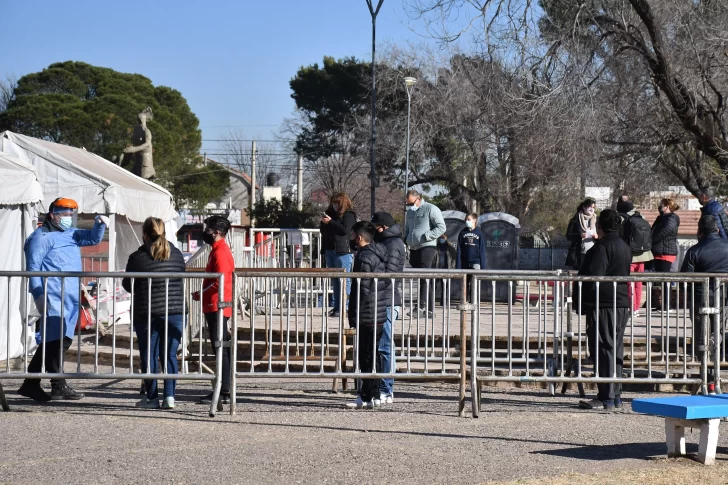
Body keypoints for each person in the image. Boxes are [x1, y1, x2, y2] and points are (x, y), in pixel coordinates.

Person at [18, 198, 108, 402]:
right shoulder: (40, 238)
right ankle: (57, 385)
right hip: (53, 297)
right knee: (55, 342)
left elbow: (92, 239)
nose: (69, 218)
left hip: (70, 297)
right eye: (65, 214)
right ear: (53, 215)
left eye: (71, 214)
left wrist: (99, 224)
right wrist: (39, 296)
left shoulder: (70, 233)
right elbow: (33, 269)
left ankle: (32, 384)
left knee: (58, 341)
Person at [122, 217, 186, 410]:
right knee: (170, 355)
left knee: (149, 355)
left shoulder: (137, 257)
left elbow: (128, 284)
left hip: (147, 311)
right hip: (175, 310)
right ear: (164, 232)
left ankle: (151, 398)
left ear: (145, 234)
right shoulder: (176, 254)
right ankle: (170, 397)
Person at [576, 209, 632, 411]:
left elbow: (594, 277)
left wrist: (583, 302)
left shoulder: (602, 247)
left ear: (600, 226)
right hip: (621, 302)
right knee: (615, 348)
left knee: (603, 348)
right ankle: (615, 394)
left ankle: (606, 396)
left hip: (604, 304)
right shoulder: (624, 246)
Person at [681, 216, 728, 393]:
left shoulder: (694, 250)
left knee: (702, 339)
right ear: (717, 230)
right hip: (723, 298)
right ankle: (715, 377)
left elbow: (684, 279)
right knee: (717, 335)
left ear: (699, 231)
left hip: (701, 300)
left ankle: (706, 377)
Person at [346, 221, 389, 409]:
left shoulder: (364, 257)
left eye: (353, 236)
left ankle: (366, 396)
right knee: (374, 353)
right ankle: (375, 393)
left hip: (367, 312)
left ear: (359, 238)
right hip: (378, 311)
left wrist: (355, 313)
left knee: (366, 355)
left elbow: (362, 288)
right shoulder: (379, 253)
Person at [192, 215, 234, 405]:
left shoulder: (220, 251)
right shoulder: (217, 250)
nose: (205, 232)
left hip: (217, 304)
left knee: (220, 347)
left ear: (216, 232)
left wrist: (201, 293)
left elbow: (219, 280)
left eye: (208, 229)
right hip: (216, 304)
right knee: (220, 346)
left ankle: (224, 390)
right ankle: (224, 388)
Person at [372, 211, 405, 405]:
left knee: (385, 346)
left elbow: (389, 273)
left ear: (383, 227)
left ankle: (387, 389)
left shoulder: (392, 244)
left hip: (387, 299)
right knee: (382, 345)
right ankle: (382, 387)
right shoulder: (387, 242)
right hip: (384, 298)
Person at [404, 189, 446, 317]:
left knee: (424, 277)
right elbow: (407, 228)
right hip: (414, 249)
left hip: (427, 248)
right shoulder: (410, 212)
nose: (410, 206)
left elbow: (441, 227)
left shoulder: (431, 209)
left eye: (411, 203)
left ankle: (420, 307)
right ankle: (430, 310)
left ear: (419, 199)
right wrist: (406, 239)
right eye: (407, 204)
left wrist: (427, 236)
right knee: (424, 278)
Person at [320, 192, 357, 317]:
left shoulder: (349, 214)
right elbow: (323, 230)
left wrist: (331, 222)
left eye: (337, 203)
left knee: (344, 280)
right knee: (335, 280)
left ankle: (345, 307)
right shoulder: (330, 213)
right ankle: (337, 307)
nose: (335, 206)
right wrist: (324, 222)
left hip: (343, 251)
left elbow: (345, 230)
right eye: (333, 203)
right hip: (330, 249)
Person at [617, 196, 653, 317]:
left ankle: (631, 307)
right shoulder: (641, 216)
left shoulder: (621, 217)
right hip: (643, 254)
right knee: (638, 283)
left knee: (629, 282)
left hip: (629, 255)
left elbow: (620, 235)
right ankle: (636, 308)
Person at [456, 213, 487, 302]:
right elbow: (459, 250)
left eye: (469, 220)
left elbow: (482, 250)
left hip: (476, 262)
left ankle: (473, 301)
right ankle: (465, 300)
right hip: (465, 262)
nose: (467, 221)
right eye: (466, 220)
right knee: (465, 283)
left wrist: (483, 267)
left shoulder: (479, 233)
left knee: (474, 283)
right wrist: (458, 266)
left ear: (474, 220)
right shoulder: (462, 233)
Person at [565, 199, 598, 270]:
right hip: (580, 253)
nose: (592, 209)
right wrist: (580, 235)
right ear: (584, 207)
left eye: (593, 207)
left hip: (594, 252)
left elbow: (602, 234)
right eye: (590, 207)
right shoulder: (575, 220)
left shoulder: (597, 219)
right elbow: (568, 235)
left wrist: (597, 236)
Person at [651, 198, 681, 273]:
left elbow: (664, 232)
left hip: (665, 254)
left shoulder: (671, 218)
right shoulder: (662, 218)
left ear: (667, 207)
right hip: (659, 252)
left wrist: (651, 240)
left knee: (664, 277)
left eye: (661, 205)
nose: (659, 207)